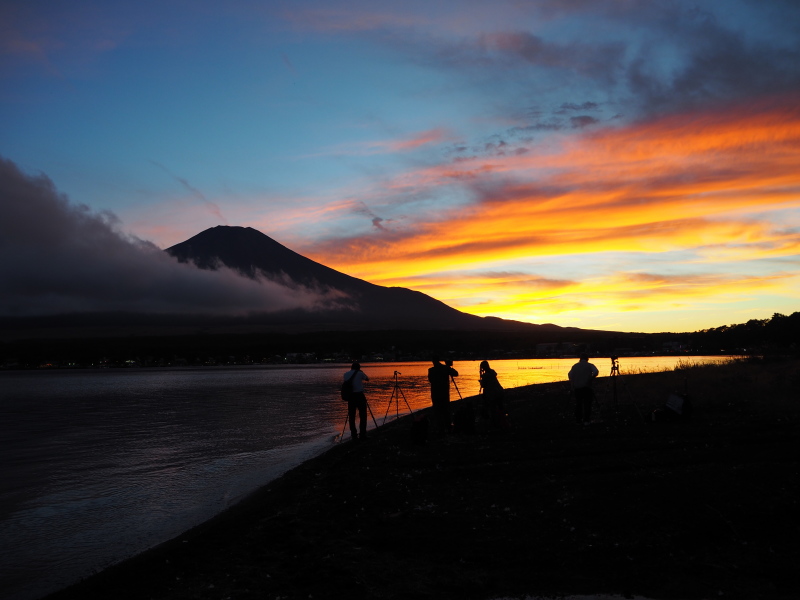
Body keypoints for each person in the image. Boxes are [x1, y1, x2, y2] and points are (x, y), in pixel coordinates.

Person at [428, 357, 458, 434]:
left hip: (435, 393)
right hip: (444, 393)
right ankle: (448, 427)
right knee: (446, 411)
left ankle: (441, 429)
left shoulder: (431, 370)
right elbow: (456, 373)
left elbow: (430, 381)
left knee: (438, 412)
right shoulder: (445, 368)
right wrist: (448, 367)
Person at [568, 354, 599, 424]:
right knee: (587, 403)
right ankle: (586, 420)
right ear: (587, 359)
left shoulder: (575, 366)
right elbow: (596, 372)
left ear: (580, 359)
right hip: (587, 387)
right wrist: (591, 378)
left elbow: (570, 375)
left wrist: (573, 383)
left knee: (578, 404)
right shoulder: (590, 365)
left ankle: (578, 419)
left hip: (577, 388)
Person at [343, 362, 370, 441]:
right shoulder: (360, 373)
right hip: (359, 396)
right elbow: (367, 379)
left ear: (351, 367)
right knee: (363, 415)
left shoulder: (345, 374)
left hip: (350, 397)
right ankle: (362, 434)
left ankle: (354, 435)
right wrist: (362, 372)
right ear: (359, 368)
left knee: (351, 416)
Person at [479, 360, 506, 429]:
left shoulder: (486, 375)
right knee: (500, 407)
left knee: (492, 408)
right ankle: (503, 421)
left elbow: (483, 385)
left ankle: (495, 423)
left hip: (493, 394)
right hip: (500, 391)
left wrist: (481, 379)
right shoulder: (492, 372)